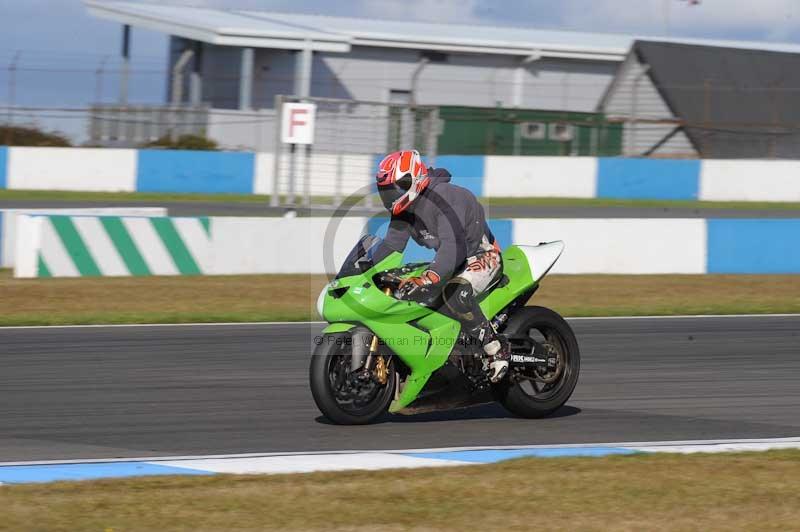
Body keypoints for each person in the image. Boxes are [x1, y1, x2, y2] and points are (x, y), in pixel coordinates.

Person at [372, 149, 510, 383]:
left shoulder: (446, 197)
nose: (390, 197)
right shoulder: (405, 210)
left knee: (454, 292)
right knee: (403, 291)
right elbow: (390, 247)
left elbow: (453, 246)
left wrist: (430, 276)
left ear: (412, 180)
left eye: (393, 189)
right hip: (453, 262)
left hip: (482, 256)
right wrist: (364, 272)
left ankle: (495, 347)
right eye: (385, 191)